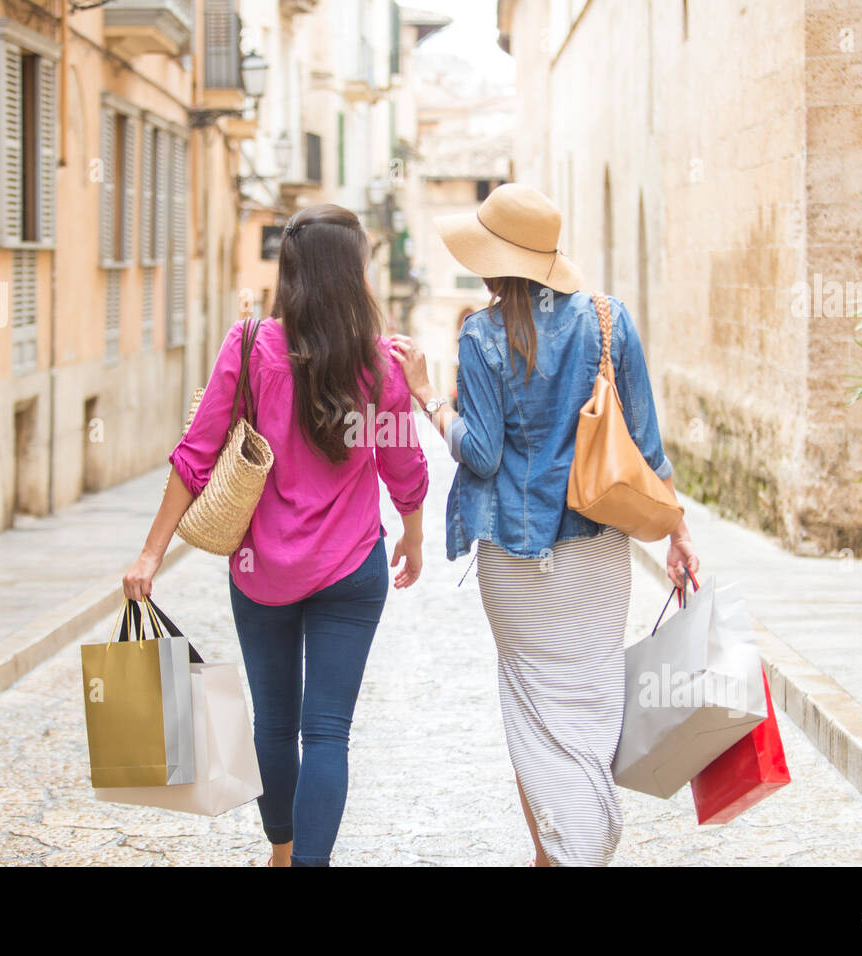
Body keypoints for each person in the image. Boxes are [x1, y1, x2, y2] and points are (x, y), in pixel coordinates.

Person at [390, 182, 700, 867]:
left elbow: (481, 452)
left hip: (513, 552)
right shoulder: (609, 319)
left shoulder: (480, 335)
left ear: (493, 260)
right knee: (589, 702)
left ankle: (569, 850)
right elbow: (648, 447)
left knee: (531, 703)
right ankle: (561, 850)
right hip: (597, 547)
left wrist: (429, 400)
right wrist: (679, 531)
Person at [124, 203, 429, 867]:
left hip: (263, 572)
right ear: (352, 274)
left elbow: (196, 453)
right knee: (327, 733)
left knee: (275, 722)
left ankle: (283, 852)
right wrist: (413, 534)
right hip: (352, 570)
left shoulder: (249, 343)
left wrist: (152, 552)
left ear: (290, 272)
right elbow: (404, 464)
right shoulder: (384, 363)